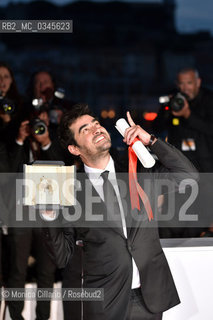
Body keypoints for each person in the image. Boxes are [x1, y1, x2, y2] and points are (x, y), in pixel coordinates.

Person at [43, 103, 198, 320]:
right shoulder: (70, 190)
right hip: (104, 304)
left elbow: (188, 177)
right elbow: (62, 256)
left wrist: (150, 140)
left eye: (95, 123)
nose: (96, 128)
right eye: (85, 129)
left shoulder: (137, 166)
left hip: (150, 298)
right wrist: (48, 215)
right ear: (74, 149)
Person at [154, 67, 213, 237]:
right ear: (177, 84)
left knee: (203, 221)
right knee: (175, 219)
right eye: (181, 83)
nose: (185, 88)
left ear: (198, 82)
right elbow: (157, 127)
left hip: (206, 171)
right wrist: (167, 110)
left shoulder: (209, 100)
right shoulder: (173, 99)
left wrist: (188, 114)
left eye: (189, 83)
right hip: (178, 170)